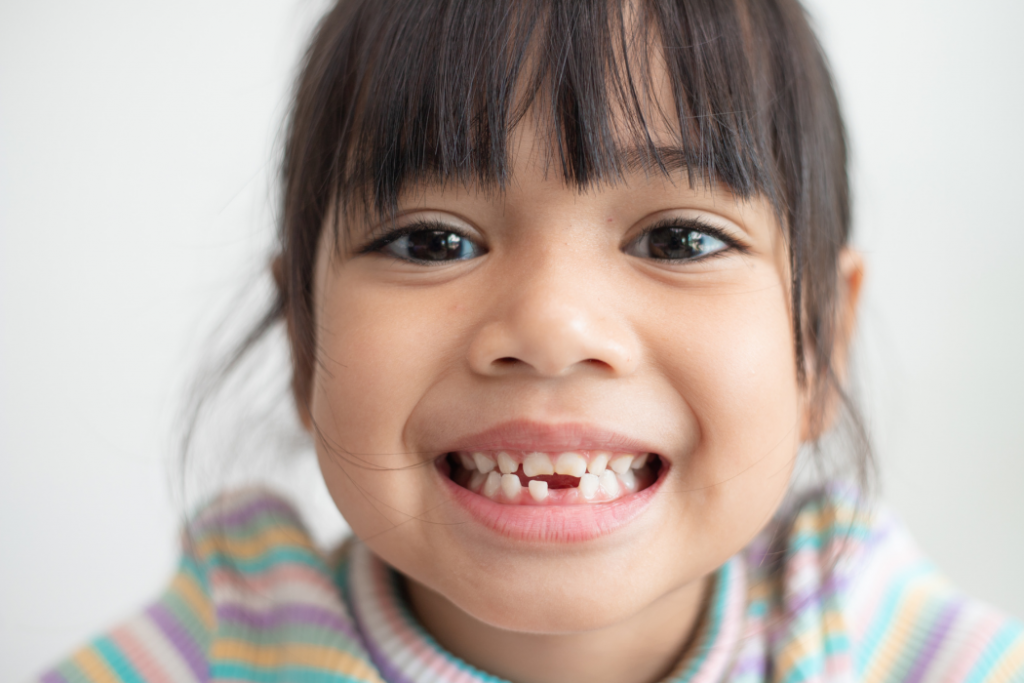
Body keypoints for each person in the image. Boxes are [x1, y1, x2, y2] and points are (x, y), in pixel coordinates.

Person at [37, 0, 1024, 681]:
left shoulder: (862, 632)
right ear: (306, 336)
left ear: (821, 339)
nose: (552, 327)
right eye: (431, 239)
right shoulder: (231, 642)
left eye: (678, 238)